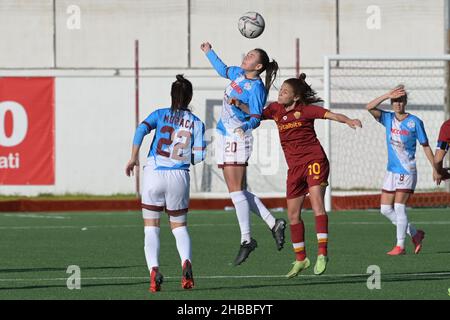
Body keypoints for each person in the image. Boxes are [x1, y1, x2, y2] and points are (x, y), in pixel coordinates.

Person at [235, 73, 362, 277]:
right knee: (293, 215)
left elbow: (331, 115)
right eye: (281, 90)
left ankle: (322, 253)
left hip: (314, 160)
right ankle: (301, 259)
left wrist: (348, 120)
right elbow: (256, 113)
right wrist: (240, 105)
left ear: (295, 97)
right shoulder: (275, 110)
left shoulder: (307, 110)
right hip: (294, 169)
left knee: (317, 204)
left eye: (285, 91)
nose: (280, 93)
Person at [200, 42, 287, 266]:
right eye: (247, 53)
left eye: (251, 56)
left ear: (258, 66)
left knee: (237, 192)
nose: (246, 57)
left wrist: (243, 121)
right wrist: (210, 52)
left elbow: (257, 117)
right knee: (237, 192)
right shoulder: (238, 73)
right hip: (223, 134)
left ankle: (247, 239)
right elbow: (222, 70)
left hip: (239, 136)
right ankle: (273, 223)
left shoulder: (256, 88)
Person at [125, 75, 206, 292]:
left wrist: (133, 157)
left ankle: (153, 271)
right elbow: (198, 158)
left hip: (154, 173)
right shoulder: (197, 123)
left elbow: (141, 129)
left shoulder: (159, 114)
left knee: (151, 228)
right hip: (179, 176)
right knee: (179, 227)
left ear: (172, 95)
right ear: (190, 97)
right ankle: (186, 264)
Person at [366, 85, 439, 255]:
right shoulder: (388, 118)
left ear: (405, 102)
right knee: (385, 209)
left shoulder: (415, 122)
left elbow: (426, 146)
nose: (398, 104)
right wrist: (387, 94)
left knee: (399, 206)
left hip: (407, 170)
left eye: (400, 100)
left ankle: (400, 245)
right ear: (391, 102)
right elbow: (369, 107)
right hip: (391, 171)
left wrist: (435, 168)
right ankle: (415, 234)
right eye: (395, 101)